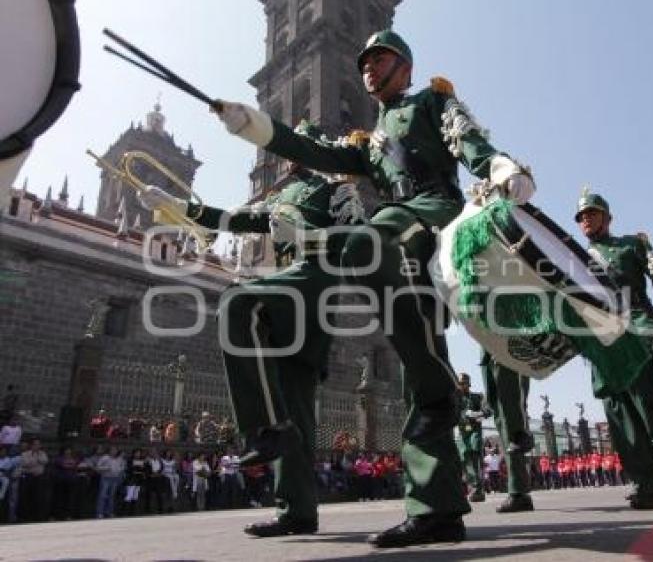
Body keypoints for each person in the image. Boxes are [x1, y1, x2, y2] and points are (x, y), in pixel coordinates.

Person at [215, 29, 535, 547]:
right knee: (420, 370)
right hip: (400, 246)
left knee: (363, 242)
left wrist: (497, 165)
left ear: (405, 68)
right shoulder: (367, 142)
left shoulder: (431, 101)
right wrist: (251, 125)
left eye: (380, 59)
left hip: (433, 213)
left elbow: (465, 136)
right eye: (364, 63)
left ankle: (436, 388)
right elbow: (308, 147)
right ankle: (437, 510)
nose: (368, 69)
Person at [139, 121, 366, 537]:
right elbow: (231, 219)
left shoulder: (336, 188)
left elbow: (357, 241)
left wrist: (305, 234)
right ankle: (296, 511)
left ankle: (264, 428)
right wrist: (176, 204)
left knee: (238, 299)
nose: (283, 156)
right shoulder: (280, 197)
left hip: (315, 280)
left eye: (293, 148)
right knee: (294, 404)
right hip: (289, 292)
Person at [574, 189, 653, 509]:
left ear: (608, 218)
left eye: (593, 213)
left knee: (646, 392)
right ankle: (650, 486)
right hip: (601, 339)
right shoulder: (573, 261)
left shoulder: (631, 245)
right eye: (582, 216)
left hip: (636, 324)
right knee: (617, 411)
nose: (587, 220)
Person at [481, 352, 535, 512]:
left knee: (511, 414)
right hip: (489, 348)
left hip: (507, 343)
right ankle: (518, 490)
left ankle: (519, 491)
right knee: (502, 417)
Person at [456, 373, 489, 503]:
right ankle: (473, 489)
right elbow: (452, 414)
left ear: (468, 384)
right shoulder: (456, 398)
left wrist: (478, 414)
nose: (461, 386)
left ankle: (477, 489)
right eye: (459, 383)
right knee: (465, 460)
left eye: (463, 383)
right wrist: (463, 416)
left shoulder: (477, 397)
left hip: (474, 432)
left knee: (473, 459)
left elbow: (488, 410)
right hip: (462, 434)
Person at [95, 446, 125, 518]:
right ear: (109, 451)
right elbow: (97, 467)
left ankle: (109, 512)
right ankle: (100, 513)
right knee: (103, 496)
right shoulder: (105, 457)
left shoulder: (119, 459)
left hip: (115, 479)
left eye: (115, 450)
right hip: (106, 478)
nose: (114, 451)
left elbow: (122, 467)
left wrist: (119, 470)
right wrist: (106, 468)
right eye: (112, 450)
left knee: (112, 496)